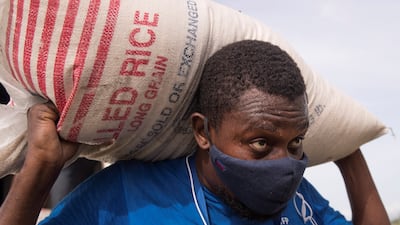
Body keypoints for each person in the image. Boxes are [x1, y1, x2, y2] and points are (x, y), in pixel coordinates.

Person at [0, 40, 390, 225]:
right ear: (203, 131)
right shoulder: (125, 196)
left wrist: (348, 151)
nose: (284, 165)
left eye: (295, 143)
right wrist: (40, 169)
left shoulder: (300, 198)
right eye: (260, 143)